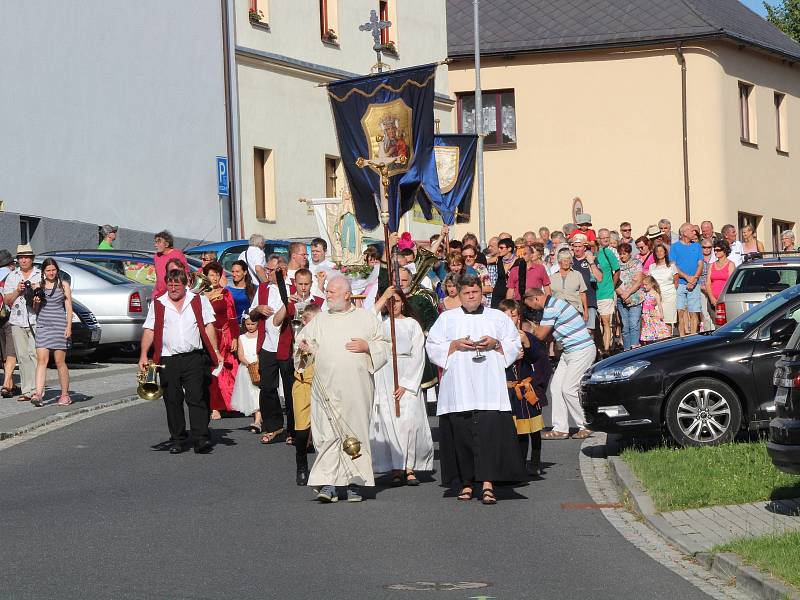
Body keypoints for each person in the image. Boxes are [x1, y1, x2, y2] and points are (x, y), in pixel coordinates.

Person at [426, 275, 526, 505]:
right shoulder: (447, 319)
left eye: (475, 293)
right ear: (459, 294)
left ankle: (489, 484)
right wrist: (453, 345)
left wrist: (496, 344)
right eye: (466, 293)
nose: (471, 297)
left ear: (482, 293)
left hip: (489, 386)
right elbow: (431, 346)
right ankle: (466, 483)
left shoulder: (497, 317)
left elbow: (514, 343)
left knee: (490, 436)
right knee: (461, 435)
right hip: (459, 386)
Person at [296, 275, 389, 503]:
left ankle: (355, 482)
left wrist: (368, 347)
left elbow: (385, 346)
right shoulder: (319, 320)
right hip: (326, 388)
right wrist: (304, 349)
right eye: (326, 291)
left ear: (347, 294)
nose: (327, 295)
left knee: (355, 432)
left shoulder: (366, 319)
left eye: (332, 292)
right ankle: (329, 484)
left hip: (356, 387)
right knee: (326, 435)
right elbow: (303, 347)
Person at [139, 269, 221, 454]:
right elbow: (149, 330)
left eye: (177, 285)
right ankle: (177, 438)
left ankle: (201, 439)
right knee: (172, 400)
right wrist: (144, 354)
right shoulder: (158, 303)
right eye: (170, 285)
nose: (173, 288)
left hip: (194, 357)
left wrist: (215, 351)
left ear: (185, 284)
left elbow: (209, 326)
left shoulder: (199, 300)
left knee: (196, 397)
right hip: (168, 359)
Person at [370, 287, 433, 486]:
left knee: (409, 422)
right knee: (390, 420)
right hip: (385, 372)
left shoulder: (412, 324)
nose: (393, 305)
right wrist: (383, 299)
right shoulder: (381, 323)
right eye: (390, 301)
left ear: (403, 302)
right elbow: (367, 319)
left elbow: (418, 354)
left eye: (396, 301)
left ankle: (410, 466)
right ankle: (396, 466)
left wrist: (406, 383)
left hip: (407, 375)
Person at [525, 289, 596, 440]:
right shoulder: (553, 305)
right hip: (570, 351)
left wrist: (529, 328)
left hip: (581, 350)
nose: (532, 309)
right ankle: (560, 429)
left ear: (536, 299)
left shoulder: (551, 308)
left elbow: (541, 336)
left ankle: (586, 425)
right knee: (556, 387)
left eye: (530, 306)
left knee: (568, 389)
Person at [499, 299, 550, 476]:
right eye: (506, 315)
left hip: (527, 387)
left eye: (513, 315)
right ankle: (518, 465)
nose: (510, 319)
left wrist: (527, 345)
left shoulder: (525, 336)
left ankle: (534, 463)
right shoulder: (496, 339)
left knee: (533, 429)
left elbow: (540, 358)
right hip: (509, 389)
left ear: (518, 317)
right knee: (517, 430)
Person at [248, 260, 289, 445]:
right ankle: (274, 426)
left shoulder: (292, 285)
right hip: (267, 344)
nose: (268, 273)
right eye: (267, 269)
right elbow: (252, 314)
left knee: (290, 388)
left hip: (288, 344)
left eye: (271, 270)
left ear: (282, 270)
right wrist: (258, 309)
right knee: (267, 387)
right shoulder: (263, 288)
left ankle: (296, 429)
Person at [31, 258, 73, 407]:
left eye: (53, 270)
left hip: (59, 326)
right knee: (42, 360)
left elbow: (68, 307)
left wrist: (69, 326)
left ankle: (64, 395)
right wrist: (36, 302)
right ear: (43, 272)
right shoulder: (39, 286)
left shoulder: (64, 285)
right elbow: (36, 310)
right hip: (43, 326)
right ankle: (38, 394)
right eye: (48, 270)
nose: (51, 273)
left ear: (57, 270)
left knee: (60, 362)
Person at [2, 245, 41, 402]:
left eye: (27, 257)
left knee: (35, 355)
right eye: (21, 257)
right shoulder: (12, 276)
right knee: (23, 356)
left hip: (35, 319)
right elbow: (6, 300)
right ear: (17, 260)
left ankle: (36, 390)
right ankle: (26, 391)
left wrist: (36, 292)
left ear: (32, 259)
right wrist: (18, 290)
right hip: (17, 320)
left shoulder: (39, 274)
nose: (24, 260)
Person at [203, 261, 240, 420]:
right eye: (211, 274)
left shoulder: (225, 293)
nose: (215, 277)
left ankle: (232, 404)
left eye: (217, 274)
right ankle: (214, 407)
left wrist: (235, 337)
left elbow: (232, 317)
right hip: (209, 338)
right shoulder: (200, 294)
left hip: (225, 337)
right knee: (212, 373)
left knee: (229, 372)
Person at [291, 303, 322, 486]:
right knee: (302, 431)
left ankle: (324, 468)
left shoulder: (325, 333)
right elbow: (298, 360)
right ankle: (301, 466)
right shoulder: (301, 334)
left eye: (306, 318)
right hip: (303, 384)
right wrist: (302, 350)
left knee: (323, 431)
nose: (303, 321)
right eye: (303, 318)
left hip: (321, 385)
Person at [231, 314, 262, 433]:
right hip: (247, 367)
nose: (250, 327)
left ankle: (258, 421)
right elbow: (240, 355)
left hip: (259, 365)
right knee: (251, 393)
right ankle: (257, 420)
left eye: (253, 324)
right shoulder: (242, 337)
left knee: (258, 392)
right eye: (247, 324)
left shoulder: (261, 335)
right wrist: (249, 364)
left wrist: (258, 362)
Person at [672, 223, 704, 337]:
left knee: (694, 312)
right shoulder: (675, 247)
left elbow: (700, 264)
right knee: (680, 312)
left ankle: (693, 337)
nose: (694, 232)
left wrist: (694, 279)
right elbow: (673, 266)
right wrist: (687, 278)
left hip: (695, 284)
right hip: (680, 284)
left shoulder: (697, 246)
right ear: (684, 233)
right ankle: (682, 337)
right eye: (691, 230)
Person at [570, 234, 603, 333]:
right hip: (573, 302)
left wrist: (591, 263)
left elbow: (599, 278)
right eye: (575, 246)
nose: (577, 249)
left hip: (589, 300)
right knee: (575, 331)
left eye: (580, 246)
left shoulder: (591, 259)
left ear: (584, 247)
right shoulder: (569, 261)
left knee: (588, 331)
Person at [614, 243, 644, 351]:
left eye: (624, 253)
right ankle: (626, 350)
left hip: (635, 297)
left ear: (629, 253)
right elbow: (614, 283)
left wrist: (628, 293)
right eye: (620, 254)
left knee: (634, 323)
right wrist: (623, 295)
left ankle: (635, 347)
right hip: (621, 298)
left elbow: (639, 281)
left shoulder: (636, 263)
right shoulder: (616, 265)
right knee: (625, 326)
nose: (622, 256)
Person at [595, 233, 620, 356]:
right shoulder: (592, 254)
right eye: (602, 238)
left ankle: (606, 350)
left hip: (606, 292)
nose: (605, 240)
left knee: (606, 322)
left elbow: (617, 270)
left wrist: (612, 286)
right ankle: (598, 349)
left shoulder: (608, 252)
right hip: (594, 293)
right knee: (596, 324)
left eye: (607, 238)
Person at [0, 249, 19, 398]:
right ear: (10, 264)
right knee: (11, 352)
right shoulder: (12, 276)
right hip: (10, 317)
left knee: (5, 354)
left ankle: (11, 385)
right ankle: (7, 385)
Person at [649, 244, 678, 334]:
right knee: (657, 319)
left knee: (668, 320)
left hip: (669, 294)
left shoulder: (671, 266)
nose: (659, 253)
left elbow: (676, 281)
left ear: (665, 252)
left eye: (661, 251)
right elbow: (650, 282)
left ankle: (668, 340)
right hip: (656, 295)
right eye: (657, 251)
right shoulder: (652, 267)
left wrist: (672, 291)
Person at [549, 248, 588, 316]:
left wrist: (586, 311)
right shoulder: (552, 277)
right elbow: (550, 295)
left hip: (575, 309)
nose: (566, 263)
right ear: (559, 262)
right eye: (564, 260)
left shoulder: (577, 274)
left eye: (568, 260)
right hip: (558, 311)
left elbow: (582, 293)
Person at [153, 230, 189, 297]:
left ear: (166, 244)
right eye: (155, 242)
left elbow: (186, 275)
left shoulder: (178, 254)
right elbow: (158, 276)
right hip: (158, 294)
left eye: (158, 242)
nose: (155, 245)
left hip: (173, 294)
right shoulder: (156, 256)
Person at [640, 276, 672, 344]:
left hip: (652, 313)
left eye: (646, 284)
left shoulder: (656, 294)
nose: (644, 286)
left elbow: (659, 306)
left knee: (655, 327)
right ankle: (648, 342)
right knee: (647, 328)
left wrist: (661, 314)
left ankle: (657, 341)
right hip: (645, 314)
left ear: (651, 284)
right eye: (644, 285)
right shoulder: (644, 293)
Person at [706, 240, 735, 309]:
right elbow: (708, 283)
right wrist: (711, 298)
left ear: (724, 250)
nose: (716, 252)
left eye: (718, 250)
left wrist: (723, 299)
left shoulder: (730, 265)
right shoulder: (712, 265)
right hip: (712, 300)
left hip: (725, 300)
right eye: (715, 250)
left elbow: (731, 283)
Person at [490, 237, 518, 309]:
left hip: (511, 292)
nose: (499, 250)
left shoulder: (518, 261)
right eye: (499, 247)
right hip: (498, 292)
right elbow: (484, 261)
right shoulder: (498, 259)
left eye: (501, 248)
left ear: (509, 249)